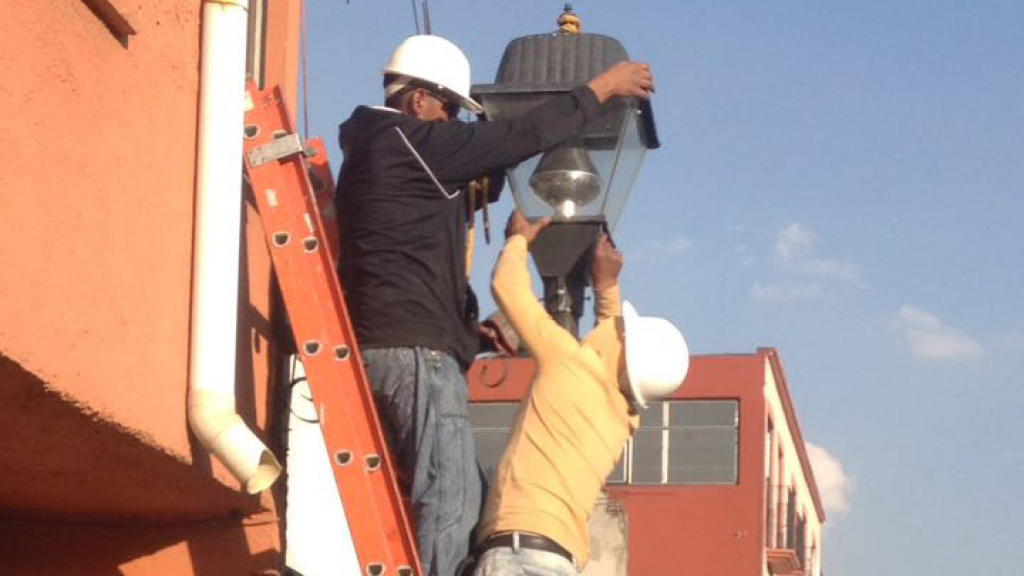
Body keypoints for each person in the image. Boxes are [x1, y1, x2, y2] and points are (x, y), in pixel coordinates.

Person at [334, 33, 655, 576]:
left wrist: (471, 336)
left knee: (474, 499)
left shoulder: (381, 155)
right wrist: (601, 89)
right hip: (415, 350)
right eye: (453, 111)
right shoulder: (410, 141)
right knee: (453, 501)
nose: (457, 126)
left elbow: (414, 241)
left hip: (397, 342)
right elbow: (521, 134)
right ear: (419, 101)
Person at [471, 212, 689, 576]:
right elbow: (614, 346)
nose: (615, 324)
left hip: (518, 557)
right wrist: (607, 287)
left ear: (621, 345)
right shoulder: (622, 417)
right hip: (560, 562)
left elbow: (507, 287)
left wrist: (518, 241)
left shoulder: (570, 364)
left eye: (622, 327)